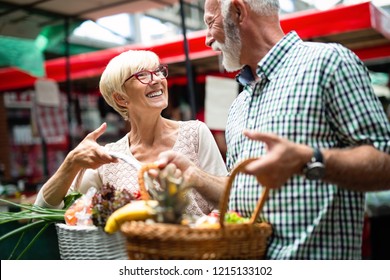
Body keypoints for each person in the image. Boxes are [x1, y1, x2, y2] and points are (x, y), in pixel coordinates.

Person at [155, 0, 390, 259]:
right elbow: (239, 193)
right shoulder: (240, 104)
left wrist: (309, 160)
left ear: (238, 11)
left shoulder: (328, 62)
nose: (207, 39)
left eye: (211, 23)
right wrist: (194, 174)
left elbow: (384, 163)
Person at [34, 50, 227, 217]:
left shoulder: (195, 133)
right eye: (142, 75)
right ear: (121, 99)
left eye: (158, 71)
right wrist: (71, 162)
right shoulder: (109, 159)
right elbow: (42, 211)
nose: (157, 80)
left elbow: (227, 198)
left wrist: (196, 177)